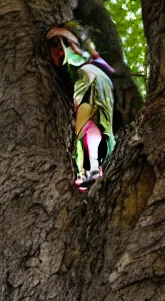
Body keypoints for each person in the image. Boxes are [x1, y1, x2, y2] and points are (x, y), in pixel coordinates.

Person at [47, 22, 115, 192]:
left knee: (86, 124)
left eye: (57, 47)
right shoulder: (89, 58)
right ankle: (97, 165)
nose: (57, 53)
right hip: (99, 79)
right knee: (98, 123)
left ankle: (92, 169)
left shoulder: (74, 56)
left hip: (88, 78)